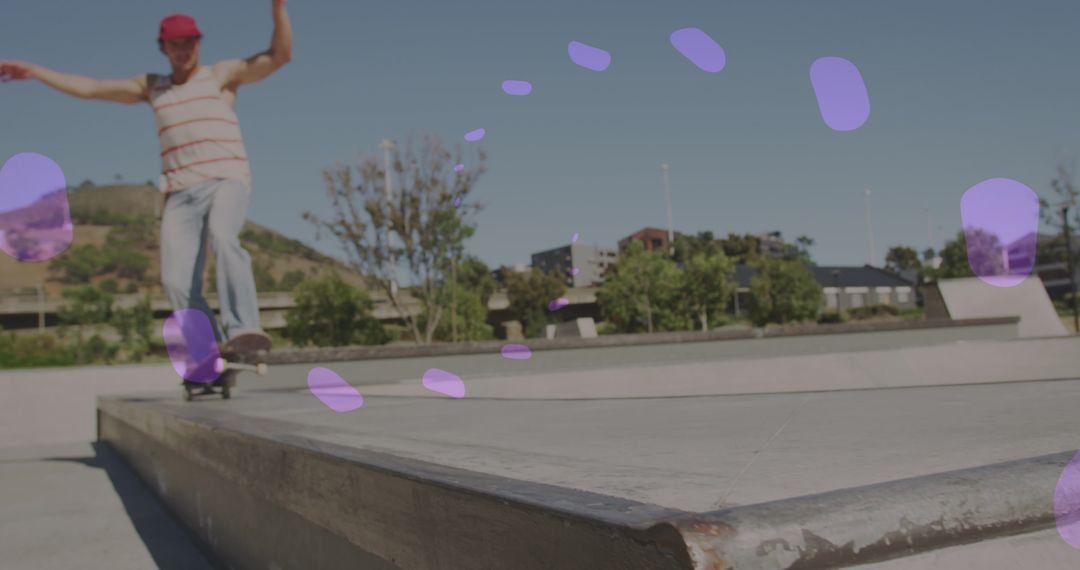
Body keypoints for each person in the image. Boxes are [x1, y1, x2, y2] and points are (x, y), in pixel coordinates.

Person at [1, 1, 292, 346]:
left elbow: (278, 56)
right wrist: (36, 71)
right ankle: (209, 352)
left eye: (188, 43)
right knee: (175, 281)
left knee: (224, 239)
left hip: (225, 180)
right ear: (164, 48)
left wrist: (278, 9)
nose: (182, 50)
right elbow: (91, 88)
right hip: (179, 195)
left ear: (199, 44)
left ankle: (244, 328)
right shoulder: (152, 87)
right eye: (174, 44)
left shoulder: (221, 76)